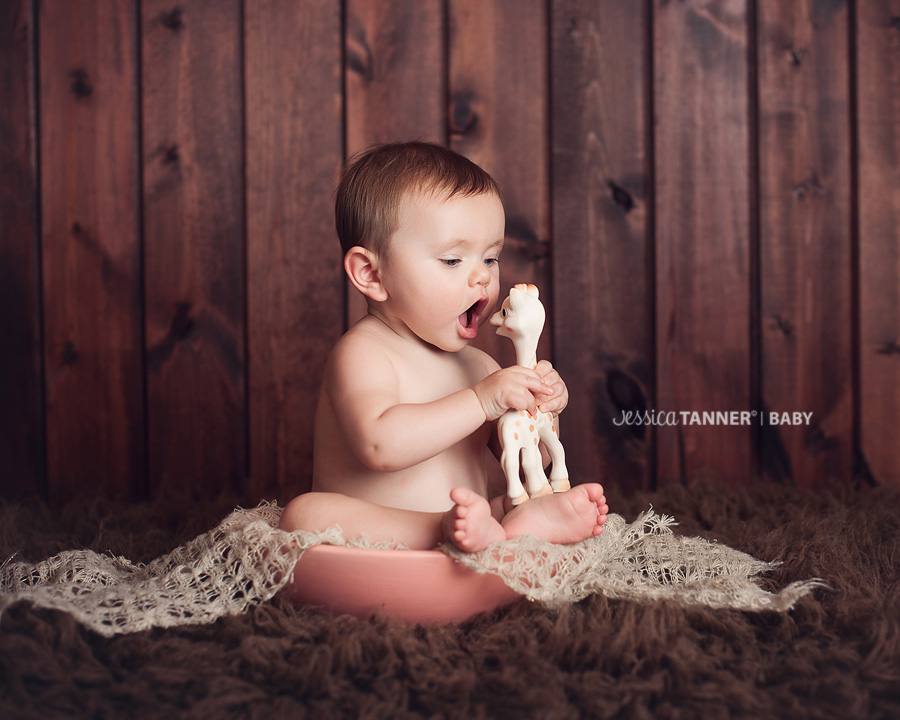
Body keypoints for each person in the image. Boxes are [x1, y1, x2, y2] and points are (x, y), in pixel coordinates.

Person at [279, 142, 608, 552]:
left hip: (471, 539)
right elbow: (380, 445)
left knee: (512, 496)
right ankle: (453, 530)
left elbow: (534, 459)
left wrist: (542, 409)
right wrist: (480, 401)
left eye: (490, 259)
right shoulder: (364, 353)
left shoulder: (483, 368)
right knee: (303, 514)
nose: (482, 279)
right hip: (375, 555)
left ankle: (512, 524)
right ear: (371, 274)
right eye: (453, 261)